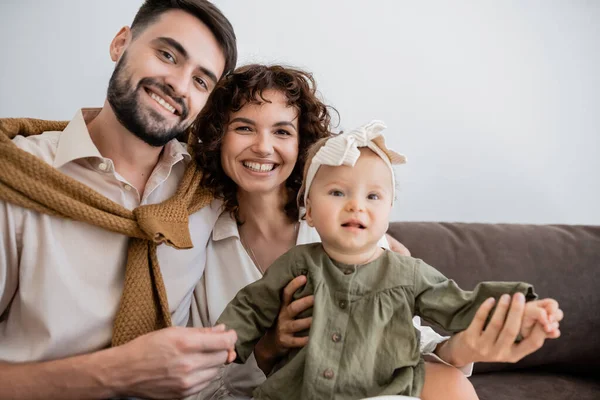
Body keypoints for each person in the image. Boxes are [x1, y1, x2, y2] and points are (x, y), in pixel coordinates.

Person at [189, 64, 551, 400]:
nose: (263, 146)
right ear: (219, 136)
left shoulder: (361, 233)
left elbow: (405, 334)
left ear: (302, 144)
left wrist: (495, 323)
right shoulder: (195, 242)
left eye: (282, 131)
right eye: (244, 127)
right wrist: (268, 348)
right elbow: (208, 375)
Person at [0, 1, 240, 399]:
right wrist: (116, 373)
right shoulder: (18, 178)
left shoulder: (204, 190)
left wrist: (375, 247)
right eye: (167, 55)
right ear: (120, 43)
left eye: (201, 81)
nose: (179, 85)